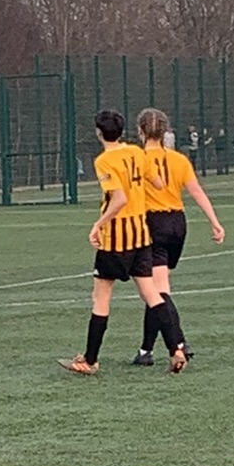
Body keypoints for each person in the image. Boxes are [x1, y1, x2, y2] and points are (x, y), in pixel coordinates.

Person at [62, 111, 159, 375]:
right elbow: (158, 183)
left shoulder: (104, 160)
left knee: (101, 297)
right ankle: (177, 347)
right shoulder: (138, 153)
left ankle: (90, 360)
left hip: (116, 237)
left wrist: (98, 224)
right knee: (153, 295)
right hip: (142, 233)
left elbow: (119, 199)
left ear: (98, 132)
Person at [132, 109, 225, 368]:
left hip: (153, 224)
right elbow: (196, 191)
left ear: (140, 131)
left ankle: (179, 343)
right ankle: (145, 350)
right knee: (157, 288)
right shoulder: (179, 159)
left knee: (156, 291)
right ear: (165, 132)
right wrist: (215, 222)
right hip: (178, 224)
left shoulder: (138, 159)